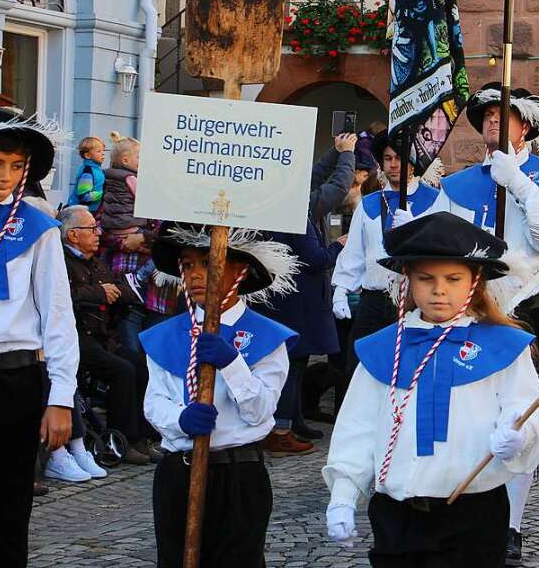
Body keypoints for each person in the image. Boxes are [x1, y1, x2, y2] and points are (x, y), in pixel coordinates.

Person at [324, 212, 539, 567]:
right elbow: (358, 426)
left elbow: (529, 412)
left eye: (453, 278)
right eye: (426, 278)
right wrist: (343, 493)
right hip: (397, 515)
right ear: (409, 281)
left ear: (474, 282)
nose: (439, 290)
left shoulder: (503, 346)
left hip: (472, 514)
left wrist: (520, 436)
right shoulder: (385, 348)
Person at [429, 83, 539, 564]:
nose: (494, 123)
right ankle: (460, 495)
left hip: (529, 303)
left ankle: (512, 521)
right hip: (469, 308)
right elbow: (436, 243)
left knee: (517, 413)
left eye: (505, 116)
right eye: (488, 118)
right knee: (466, 404)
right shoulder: (457, 184)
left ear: (527, 126)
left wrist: (517, 182)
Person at [139, 224, 300, 566]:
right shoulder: (165, 336)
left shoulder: (267, 337)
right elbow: (154, 402)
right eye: (188, 265)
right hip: (179, 472)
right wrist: (181, 420)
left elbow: (260, 412)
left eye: (209, 263)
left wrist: (233, 363)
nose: (196, 274)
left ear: (239, 271)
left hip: (238, 475)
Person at [0, 105, 78, 565]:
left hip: (10, 385)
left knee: (3, 521)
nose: (6, 176)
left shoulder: (39, 230)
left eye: (16, 166)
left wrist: (61, 397)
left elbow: (58, 318)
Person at [332, 130, 439, 379]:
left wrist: (415, 229)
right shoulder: (369, 203)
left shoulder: (434, 201)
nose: (393, 165)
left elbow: (440, 250)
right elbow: (355, 252)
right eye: (388, 158)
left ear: (413, 162)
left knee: (406, 372)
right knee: (357, 370)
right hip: (373, 300)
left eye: (400, 158)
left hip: (413, 301)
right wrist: (341, 289)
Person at [61, 204, 155, 464]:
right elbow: (64, 297)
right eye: (91, 228)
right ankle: (122, 439)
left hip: (104, 337)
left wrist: (109, 290)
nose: (98, 233)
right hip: (77, 337)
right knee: (122, 370)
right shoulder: (61, 262)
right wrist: (100, 293)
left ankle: (141, 437)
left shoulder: (98, 263)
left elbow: (123, 289)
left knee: (142, 364)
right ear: (73, 235)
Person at [260, 216, 344, 453]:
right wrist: (338, 246)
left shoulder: (281, 211)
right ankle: (281, 431)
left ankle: (294, 422)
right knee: (291, 367)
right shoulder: (293, 217)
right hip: (297, 302)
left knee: (295, 365)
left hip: (288, 300)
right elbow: (315, 258)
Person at [99, 132, 159, 356]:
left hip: (160, 291)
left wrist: (144, 239)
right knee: (129, 349)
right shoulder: (132, 184)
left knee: (155, 354)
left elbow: (170, 233)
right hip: (124, 278)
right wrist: (124, 242)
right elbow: (98, 228)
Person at [67, 135, 106, 212]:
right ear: (88, 155)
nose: (103, 153)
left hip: (91, 211)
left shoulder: (96, 169)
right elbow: (84, 196)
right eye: (99, 151)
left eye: (103, 151)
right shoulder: (87, 172)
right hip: (81, 212)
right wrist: (103, 194)